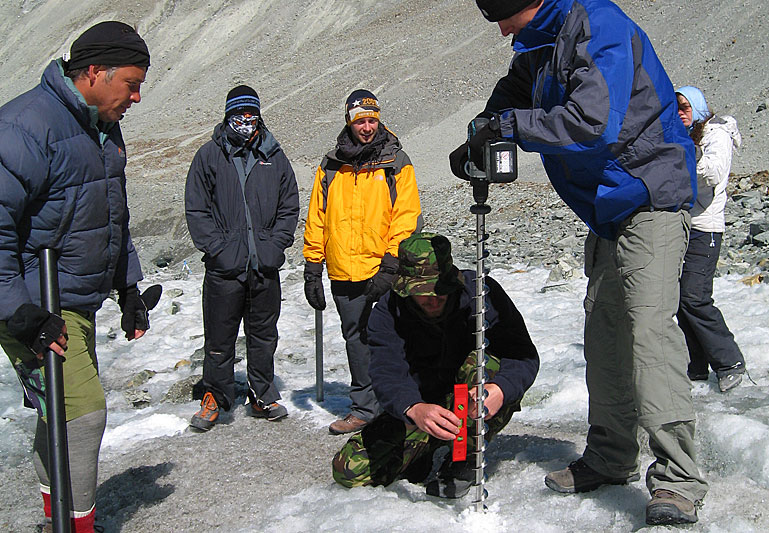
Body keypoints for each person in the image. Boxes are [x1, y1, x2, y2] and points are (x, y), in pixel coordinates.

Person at [453, 0, 708, 525]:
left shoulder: (599, 26)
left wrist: (509, 125)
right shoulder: (540, 41)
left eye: (502, 16)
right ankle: (612, 458)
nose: (501, 30)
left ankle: (678, 479)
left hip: (650, 196)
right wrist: (482, 129)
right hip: (608, 210)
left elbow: (594, 123)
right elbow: (513, 93)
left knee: (648, 335)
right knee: (605, 335)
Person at [0, 21, 154, 532]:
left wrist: (127, 285)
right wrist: (20, 312)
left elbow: (111, 213)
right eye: (131, 83)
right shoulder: (25, 126)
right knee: (82, 412)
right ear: (93, 72)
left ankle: (58, 520)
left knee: (61, 411)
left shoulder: (101, 128)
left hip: (69, 297)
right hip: (30, 298)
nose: (136, 95)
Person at [332, 233, 539, 497]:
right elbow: (386, 373)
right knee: (348, 470)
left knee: (483, 363)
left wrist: (499, 389)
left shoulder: (481, 295)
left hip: (471, 400)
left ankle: (464, 456)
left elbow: (523, 355)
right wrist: (414, 408)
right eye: (423, 293)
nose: (434, 299)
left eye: (440, 291)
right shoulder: (388, 312)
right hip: (422, 406)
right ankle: (421, 453)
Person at [303, 89, 422, 435]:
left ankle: (401, 405)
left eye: (372, 120)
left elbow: (407, 217)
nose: (367, 127)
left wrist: (391, 263)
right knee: (355, 337)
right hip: (343, 269)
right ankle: (364, 408)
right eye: (361, 121)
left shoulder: (395, 162)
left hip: (383, 268)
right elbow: (317, 217)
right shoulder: (330, 165)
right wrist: (312, 265)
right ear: (349, 122)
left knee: (392, 336)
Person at [185, 85, 299, 430]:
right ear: (228, 116)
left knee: (263, 335)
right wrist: (219, 250)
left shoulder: (274, 156)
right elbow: (197, 209)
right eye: (239, 115)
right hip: (225, 269)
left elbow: (289, 205)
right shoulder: (209, 156)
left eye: (251, 115)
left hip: (264, 266)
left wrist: (274, 246)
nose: (245, 122)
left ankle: (262, 394)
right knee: (219, 339)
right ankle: (215, 398)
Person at [675, 86, 746, 393]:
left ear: (699, 107)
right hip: (683, 226)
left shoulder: (715, 135)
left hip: (706, 227)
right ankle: (697, 364)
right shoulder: (682, 136)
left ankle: (730, 362)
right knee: (680, 299)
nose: (680, 112)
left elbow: (714, 173)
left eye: (685, 106)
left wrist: (686, 155)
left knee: (695, 297)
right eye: (675, 107)